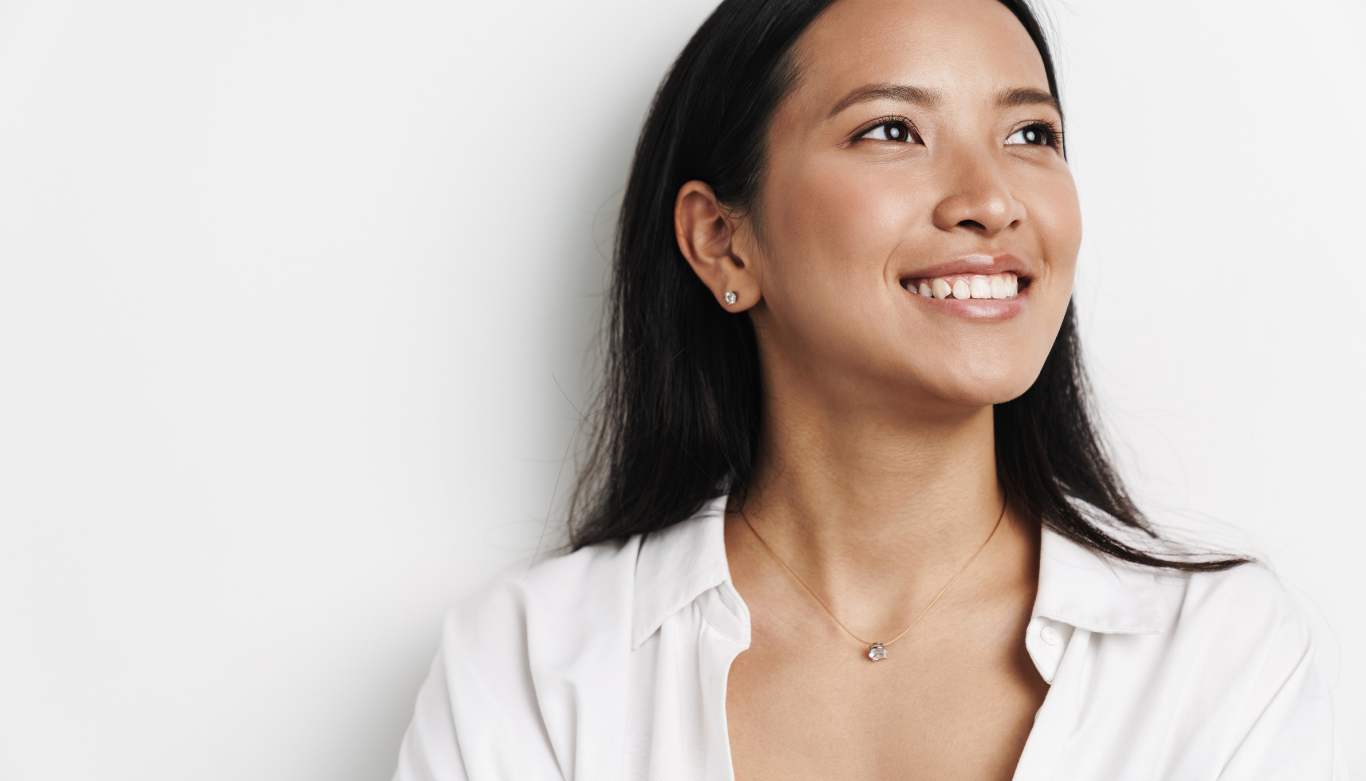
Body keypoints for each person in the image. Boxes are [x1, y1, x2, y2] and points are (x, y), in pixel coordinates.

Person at [392, 0, 1348, 778]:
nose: (993, 197)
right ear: (723, 240)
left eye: (1030, 132)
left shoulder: (1222, 657)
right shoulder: (531, 665)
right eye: (894, 129)